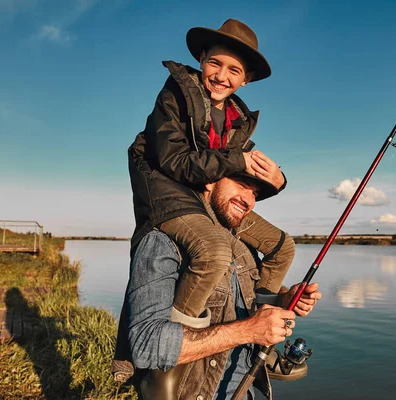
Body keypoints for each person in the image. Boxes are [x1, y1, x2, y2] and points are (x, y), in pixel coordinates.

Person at [128, 18, 295, 323]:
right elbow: (174, 161)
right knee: (215, 250)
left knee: (283, 247)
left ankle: (258, 320)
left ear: (246, 78)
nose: (221, 76)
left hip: (205, 196)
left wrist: (278, 181)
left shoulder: (237, 119)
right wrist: (238, 161)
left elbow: (237, 185)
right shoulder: (174, 97)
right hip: (170, 195)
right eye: (215, 63)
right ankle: (178, 340)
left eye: (234, 70)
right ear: (202, 58)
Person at [114, 173, 322, 400]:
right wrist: (249, 331)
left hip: (243, 390)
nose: (249, 200)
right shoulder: (162, 241)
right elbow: (147, 346)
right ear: (210, 181)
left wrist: (284, 299)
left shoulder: (243, 249)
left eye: (254, 194)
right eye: (242, 185)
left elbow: (248, 299)